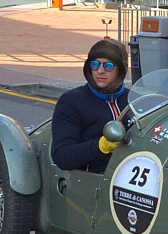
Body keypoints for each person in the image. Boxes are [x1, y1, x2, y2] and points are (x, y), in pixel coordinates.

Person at [51, 39, 131, 173]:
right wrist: (100, 146)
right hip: (90, 182)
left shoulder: (133, 100)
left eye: (108, 66)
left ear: (121, 70)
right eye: (94, 64)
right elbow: (61, 156)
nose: (100, 71)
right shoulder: (72, 101)